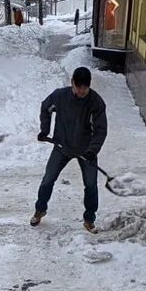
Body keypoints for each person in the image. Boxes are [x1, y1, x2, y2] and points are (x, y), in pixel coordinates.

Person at [31, 66, 108, 233]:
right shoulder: (60, 96)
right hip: (62, 146)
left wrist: (92, 150)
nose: (82, 90)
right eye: (78, 86)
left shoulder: (96, 102)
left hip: (86, 151)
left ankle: (89, 219)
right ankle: (40, 209)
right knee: (48, 179)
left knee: (91, 185)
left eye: (85, 87)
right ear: (72, 83)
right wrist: (45, 130)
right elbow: (46, 107)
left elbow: (100, 130)